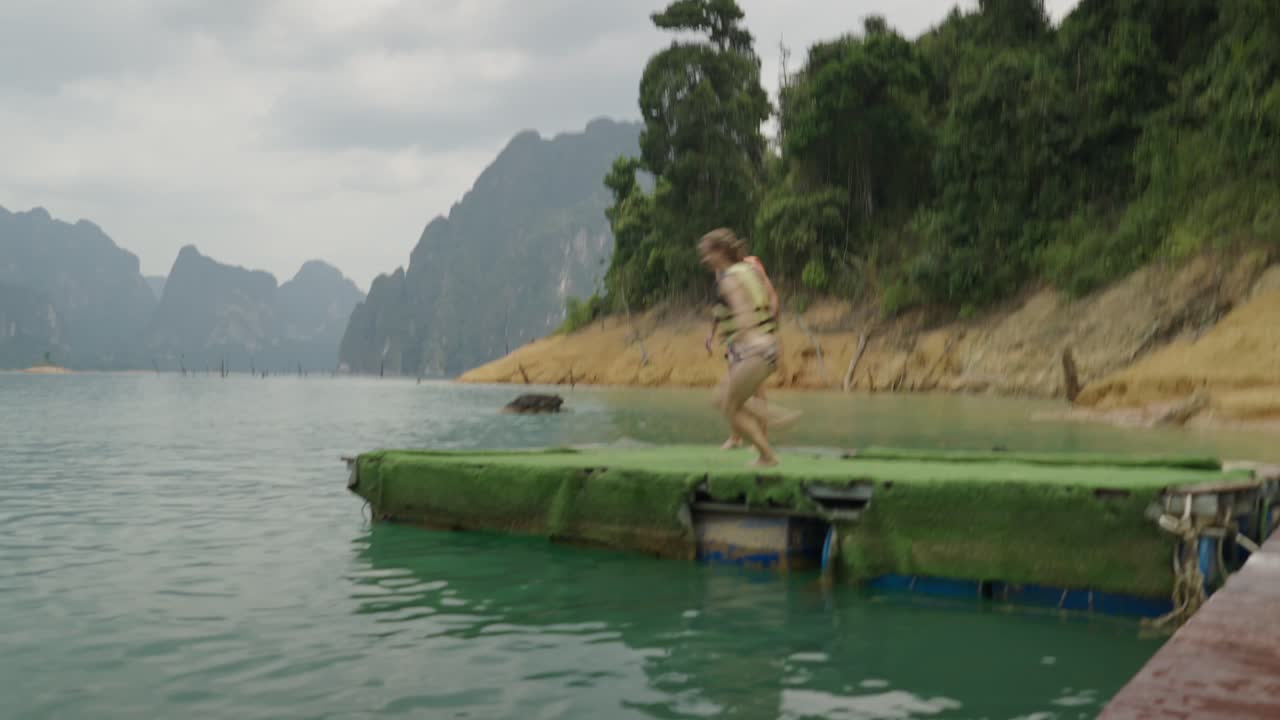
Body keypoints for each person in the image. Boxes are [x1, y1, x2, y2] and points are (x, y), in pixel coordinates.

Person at [699, 228, 788, 467]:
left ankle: (767, 454)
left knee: (729, 405)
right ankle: (774, 418)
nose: (704, 259)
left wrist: (751, 342)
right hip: (766, 347)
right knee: (723, 398)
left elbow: (744, 311)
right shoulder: (749, 269)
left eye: (707, 253)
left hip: (755, 349)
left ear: (720, 251)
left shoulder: (730, 278)